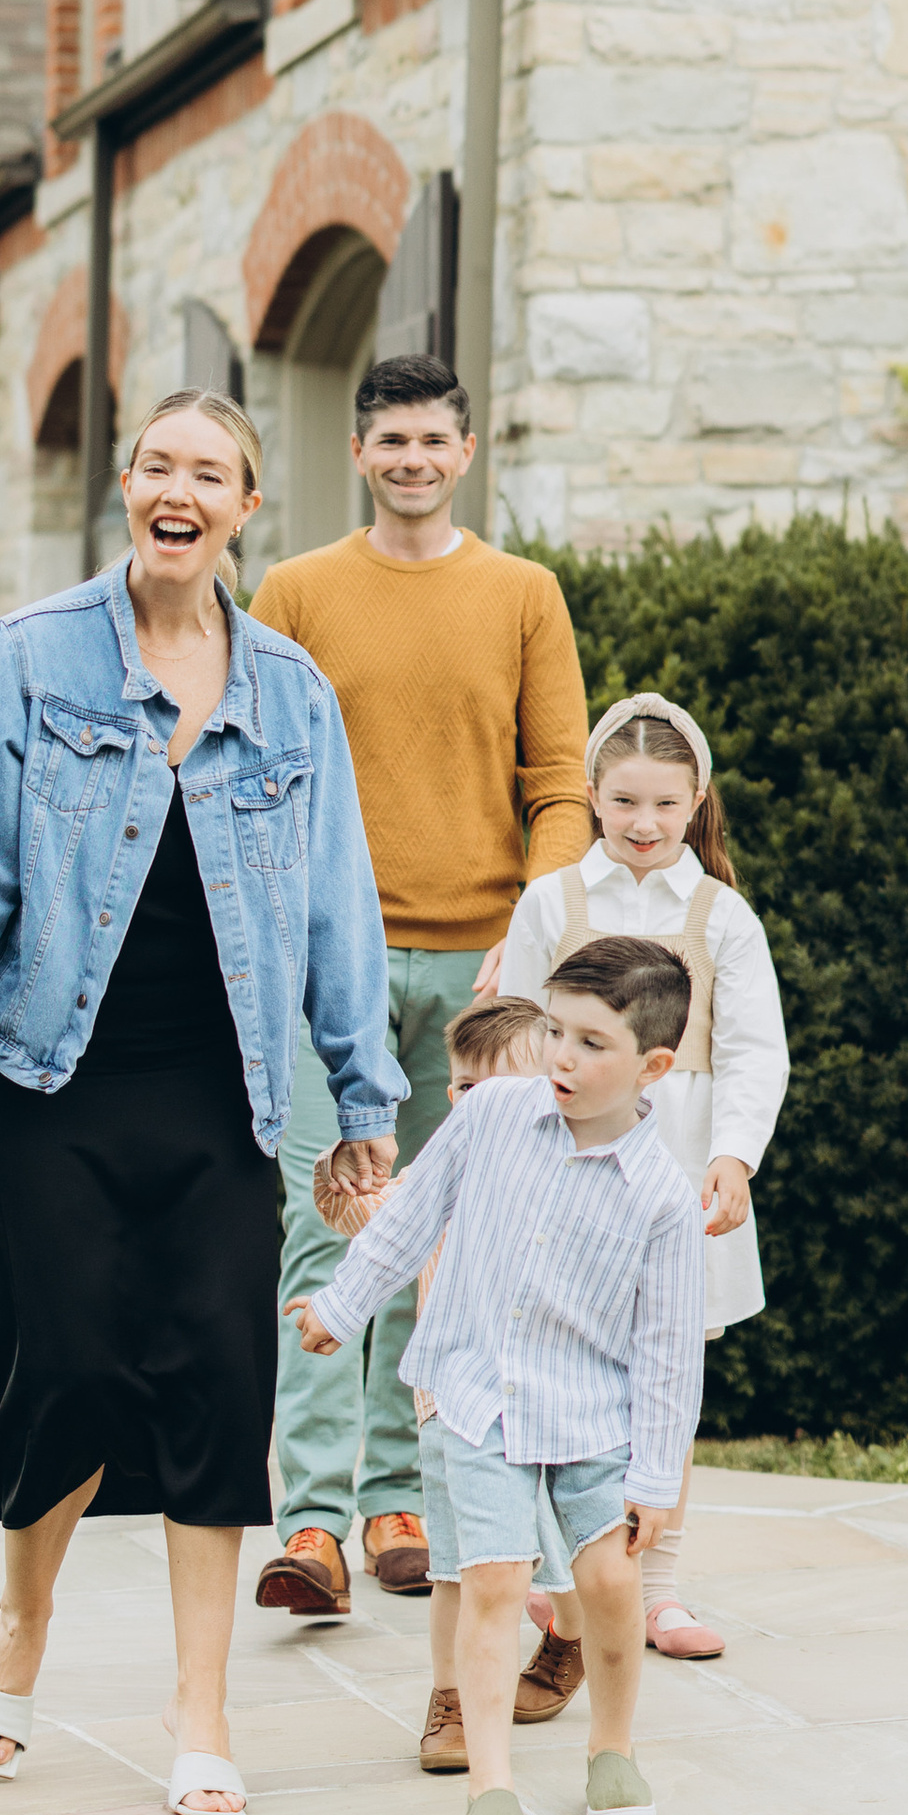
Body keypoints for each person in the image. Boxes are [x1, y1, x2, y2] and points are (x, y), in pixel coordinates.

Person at [0, 388, 401, 1815]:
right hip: (50, 1073)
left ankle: (202, 1705)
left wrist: (361, 1094)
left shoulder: (291, 692)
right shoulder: (35, 659)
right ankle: (24, 1617)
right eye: (159, 465)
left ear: (247, 510)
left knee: (216, 1384)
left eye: (212, 474)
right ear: (127, 487)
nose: (181, 490)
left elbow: (335, 911)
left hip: (220, 1080)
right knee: (63, 1370)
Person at [246, 352, 592, 1621]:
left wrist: (526, 931)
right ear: (357, 453)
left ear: (465, 452)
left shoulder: (521, 595)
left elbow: (562, 786)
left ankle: (398, 1497)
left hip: (478, 973)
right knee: (323, 1219)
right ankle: (311, 1526)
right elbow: (250, 771)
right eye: (389, 441)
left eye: (431, 441)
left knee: (438, 1234)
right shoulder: (293, 593)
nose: (410, 460)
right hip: (316, 967)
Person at [289, 935, 703, 1815]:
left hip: (594, 1416)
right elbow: (410, 1216)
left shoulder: (663, 1201)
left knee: (606, 1584)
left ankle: (613, 1752)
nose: (562, 1056)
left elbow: (671, 1355)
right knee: (496, 1581)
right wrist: (341, 1306)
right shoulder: (492, 1118)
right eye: (556, 1031)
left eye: (593, 1043)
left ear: (654, 1064)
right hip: (475, 1397)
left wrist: (654, 1476)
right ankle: (491, 1787)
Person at [494, 692, 788, 1663]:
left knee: (663, 1377)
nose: (644, 824)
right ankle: (552, 1578)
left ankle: (657, 1590)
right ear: (590, 794)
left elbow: (753, 1050)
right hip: (567, 1174)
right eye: (624, 802)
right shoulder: (554, 905)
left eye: (666, 804)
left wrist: (731, 1155)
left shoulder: (719, 916)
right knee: (557, 1372)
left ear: (697, 799)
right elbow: (514, 1037)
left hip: (674, 1175)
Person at [311, 990, 587, 1766]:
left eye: (495, 1088)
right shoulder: (437, 1182)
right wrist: (348, 1167)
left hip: (551, 1406)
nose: (473, 1103)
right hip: (452, 1408)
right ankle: (453, 1702)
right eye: (463, 1086)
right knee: (457, 1567)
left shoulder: (572, 1180)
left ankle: (571, 1632)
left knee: (560, 1550)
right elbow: (353, 1214)